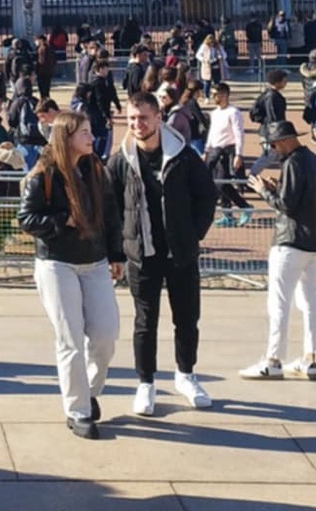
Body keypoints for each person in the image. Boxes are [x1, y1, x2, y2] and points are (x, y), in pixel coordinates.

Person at [108, 92, 218, 416]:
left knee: (187, 319)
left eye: (143, 117)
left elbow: (207, 196)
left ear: (158, 117)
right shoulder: (121, 160)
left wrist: (194, 234)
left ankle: (186, 374)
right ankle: (146, 382)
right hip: (142, 255)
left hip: (180, 253)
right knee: (145, 322)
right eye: (131, 118)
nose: (137, 124)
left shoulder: (184, 156)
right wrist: (116, 251)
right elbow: (110, 208)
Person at [17, 110, 119, 439]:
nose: (91, 137)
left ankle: (89, 391)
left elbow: (111, 213)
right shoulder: (45, 174)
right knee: (70, 339)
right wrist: (62, 221)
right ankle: (78, 410)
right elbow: (26, 218)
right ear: (67, 137)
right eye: (84, 132)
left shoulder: (95, 169)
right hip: (57, 262)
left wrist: (117, 253)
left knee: (105, 334)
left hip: (95, 260)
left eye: (90, 131)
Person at [241, 120, 316, 381]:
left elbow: (287, 205)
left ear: (283, 141)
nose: (273, 150)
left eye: (274, 145)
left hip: (290, 241)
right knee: (309, 301)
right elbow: (301, 198)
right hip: (312, 240)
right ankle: (309, 358)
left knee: (279, 302)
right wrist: (276, 188)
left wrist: (264, 192)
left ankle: (273, 360)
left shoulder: (293, 162)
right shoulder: (314, 161)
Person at [206, 82, 253, 224]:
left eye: (216, 94)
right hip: (215, 151)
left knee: (223, 183)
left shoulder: (233, 112)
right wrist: (207, 150)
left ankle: (245, 207)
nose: (214, 97)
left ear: (225, 95)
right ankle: (227, 215)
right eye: (212, 94)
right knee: (218, 182)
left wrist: (239, 154)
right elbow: (212, 133)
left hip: (228, 151)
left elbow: (239, 134)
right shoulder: (214, 113)